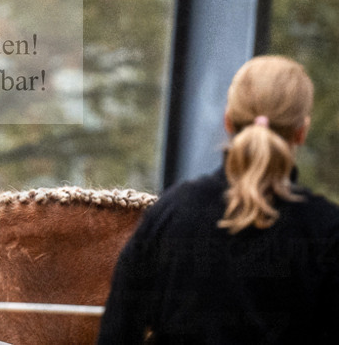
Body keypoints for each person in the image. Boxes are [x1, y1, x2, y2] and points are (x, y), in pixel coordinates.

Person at [98, 55, 339, 343]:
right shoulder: (327, 230)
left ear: (228, 120)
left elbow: (117, 332)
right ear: (302, 131)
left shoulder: (170, 213)